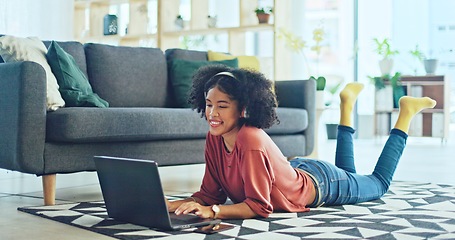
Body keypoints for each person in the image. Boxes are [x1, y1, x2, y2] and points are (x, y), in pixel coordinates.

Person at [165, 64, 437, 219]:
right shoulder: (216, 136)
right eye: (209, 105)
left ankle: (407, 113)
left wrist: (213, 212)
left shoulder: (251, 139)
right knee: (352, 176)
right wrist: (170, 205)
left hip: (323, 183)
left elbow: (259, 207)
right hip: (301, 170)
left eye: (222, 106)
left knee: (379, 184)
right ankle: (346, 105)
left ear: (244, 108)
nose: (212, 114)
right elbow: (209, 194)